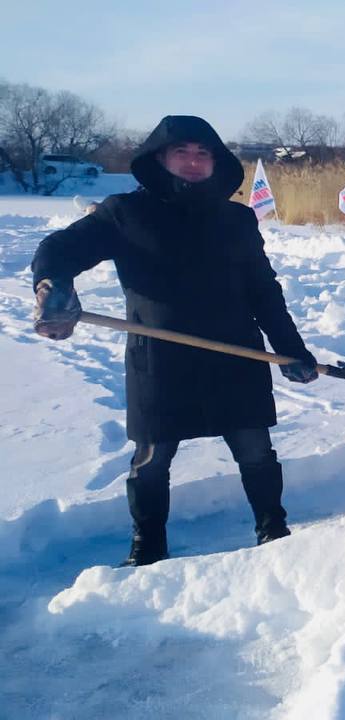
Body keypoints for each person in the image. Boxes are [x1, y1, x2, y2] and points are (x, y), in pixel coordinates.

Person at [31, 115, 318, 566]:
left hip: (234, 357)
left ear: (216, 161)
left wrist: (291, 349)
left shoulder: (237, 220)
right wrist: (52, 284)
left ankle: (273, 530)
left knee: (256, 450)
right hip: (160, 362)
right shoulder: (125, 213)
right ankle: (147, 548)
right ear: (159, 158)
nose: (192, 161)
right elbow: (59, 250)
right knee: (151, 460)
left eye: (203, 153)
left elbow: (263, 290)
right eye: (181, 152)